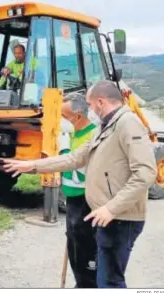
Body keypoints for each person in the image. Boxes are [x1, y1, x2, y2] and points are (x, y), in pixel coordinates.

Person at [2, 81, 157, 288]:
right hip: (107, 216)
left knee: (110, 281)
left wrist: (111, 208)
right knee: (102, 278)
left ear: (100, 102)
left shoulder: (128, 123)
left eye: (90, 104)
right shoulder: (104, 127)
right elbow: (74, 159)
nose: (89, 110)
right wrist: (32, 166)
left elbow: (145, 173)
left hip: (121, 218)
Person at [59, 93, 98, 288]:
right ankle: (81, 283)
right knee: (73, 246)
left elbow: (76, 167)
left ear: (78, 116)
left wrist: (64, 152)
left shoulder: (92, 136)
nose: (62, 121)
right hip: (71, 199)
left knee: (85, 249)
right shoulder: (73, 133)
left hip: (86, 201)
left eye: (64, 116)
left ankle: (88, 285)